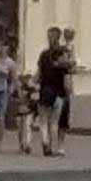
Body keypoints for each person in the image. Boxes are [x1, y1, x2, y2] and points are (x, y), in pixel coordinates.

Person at [35, 28, 77, 156]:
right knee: (54, 121)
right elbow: (67, 76)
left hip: (45, 90)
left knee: (43, 120)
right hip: (59, 93)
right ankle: (53, 146)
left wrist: (32, 85)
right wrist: (69, 91)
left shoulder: (44, 55)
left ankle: (46, 142)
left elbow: (38, 74)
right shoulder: (63, 57)